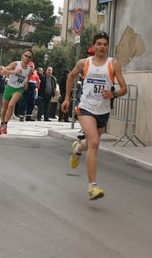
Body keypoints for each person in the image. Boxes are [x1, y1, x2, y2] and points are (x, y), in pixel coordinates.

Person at [61, 32, 127, 201]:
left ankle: (77, 149)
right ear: (93, 46)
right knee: (95, 143)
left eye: (105, 44)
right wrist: (67, 98)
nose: (102, 47)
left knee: (89, 143)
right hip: (86, 108)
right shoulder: (84, 63)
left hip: (103, 110)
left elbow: (124, 88)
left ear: (108, 47)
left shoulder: (114, 64)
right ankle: (93, 186)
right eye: (99, 43)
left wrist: (113, 94)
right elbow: (70, 76)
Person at [0, 49, 33, 135]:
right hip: (9, 87)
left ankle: (5, 124)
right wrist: (14, 71)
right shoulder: (15, 64)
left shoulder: (29, 69)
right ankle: (2, 123)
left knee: (11, 105)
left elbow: (28, 76)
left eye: (29, 57)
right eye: (26, 55)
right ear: (22, 55)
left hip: (19, 89)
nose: (27, 58)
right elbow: (3, 71)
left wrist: (26, 83)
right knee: (4, 108)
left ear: (31, 59)